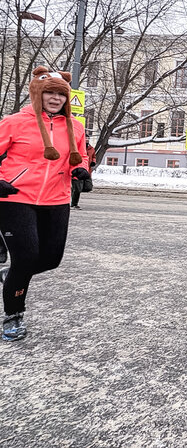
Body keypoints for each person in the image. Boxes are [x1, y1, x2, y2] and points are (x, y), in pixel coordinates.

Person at [0, 67, 90, 342]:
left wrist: (82, 170)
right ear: (38, 93)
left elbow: (81, 155)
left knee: (51, 259)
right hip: (15, 196)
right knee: (26, 257)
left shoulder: (75, 126)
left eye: (59, 94)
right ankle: (13, 317)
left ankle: (11, 275)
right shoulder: (15, 122)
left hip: (56, 199)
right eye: (49, 92)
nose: (54, 98)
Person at [70, 141, 97, 209]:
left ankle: (72, 191)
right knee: (77, 189)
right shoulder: (77, 147)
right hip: (78, 171)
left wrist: (93, 162)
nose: (87, 139)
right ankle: (74, 204)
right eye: (85, 138)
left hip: (87, 171)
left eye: (88, 138)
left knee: (88, 187)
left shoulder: (91, 148)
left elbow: (94, 156)